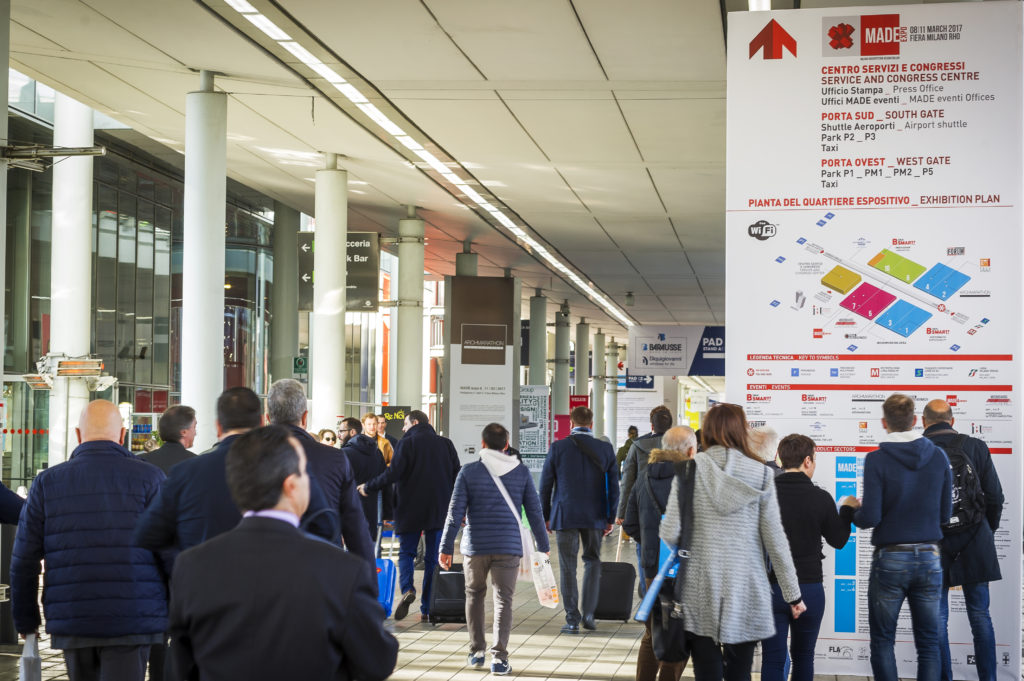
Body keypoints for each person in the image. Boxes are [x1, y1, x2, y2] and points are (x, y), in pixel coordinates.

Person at [167, 425, 398, 681]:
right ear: (291, 486)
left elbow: (178, 667)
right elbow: (378, 661)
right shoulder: (342, 570)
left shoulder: (192, 566)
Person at [11, 400, 167, 681]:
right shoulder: (151, 478)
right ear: (122, 436)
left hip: (73, 618)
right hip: (133, 617)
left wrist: (26, 619)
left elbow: (24, 559)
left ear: (78, 435)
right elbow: (170, 553)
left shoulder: (47, 482)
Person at [659, 403, 804, 681]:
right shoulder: (761, 474)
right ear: (741, 432)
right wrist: (793, 595)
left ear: (707, 433)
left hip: (700, 589)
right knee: (740, 671)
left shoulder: (688, 471)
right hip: (746, 588)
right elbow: (776, 540)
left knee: (706, 671)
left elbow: (669, 532)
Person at [135, 387, 338, 554]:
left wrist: (184, 567)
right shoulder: (288, 464)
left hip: (206, 591)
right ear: (261, 422)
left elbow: (148, 535)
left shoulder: (186, 472)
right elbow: (325, 527)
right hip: (276, 588)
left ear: (218, 426)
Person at [854, 393, 952, 681]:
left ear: (885, 423)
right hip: (930, 557)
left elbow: (869, 518)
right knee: (929, 643)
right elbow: (945, 515)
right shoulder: (938, 456)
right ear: (914, 421)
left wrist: (850, 511)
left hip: (891, 558)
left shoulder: (876, 459)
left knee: (883, 641)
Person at [439, 423, 549, 676]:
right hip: (508, 547)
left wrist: (445, 547)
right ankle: (499, 658)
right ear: (506, 445)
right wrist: (543, 546)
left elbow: (454, 515)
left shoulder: (468, 472)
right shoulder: (521, 472)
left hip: (475, 546)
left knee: (474, 594)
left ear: (483, 444)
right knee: (503, 600)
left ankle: (476, 650)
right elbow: (534, 511)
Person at [761, 434, 859, 681]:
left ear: (780, 460)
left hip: (770, 588)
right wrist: (846, 510)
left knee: (772, 658)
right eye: (814, 460)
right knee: (804, 656)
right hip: (809, 588)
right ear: (807, 461)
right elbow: (838, 541)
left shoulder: (764, 496)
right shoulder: (820, 498)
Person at [922, 399, 1004, 681]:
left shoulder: (913, 451)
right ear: (953, 420)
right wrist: (985, 531)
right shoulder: (976, 446)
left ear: (923, 422)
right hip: (975, 539)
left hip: (933, 544)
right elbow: (995, 496)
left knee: (938, 620)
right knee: (980, 615)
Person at [358, 409, 461, 621]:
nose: (403, 428)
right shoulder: (445, 444)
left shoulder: (407, 443)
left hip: (409, 508)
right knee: (433, 558)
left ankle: (407, 589)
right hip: (438, 509)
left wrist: (368, 486)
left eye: (405, 424)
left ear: (414, 422)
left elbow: (393, 473)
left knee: (406, 553)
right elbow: (456, 475)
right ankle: (427, 607)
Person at [266, 379, 374, 567]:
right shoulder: (335, 459)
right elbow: (355, 526)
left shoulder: (247, 457)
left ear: (267, 418)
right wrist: (367, 586)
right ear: (305, 417)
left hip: (265, 571)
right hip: (324, 569)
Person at [622, 425, 697, 681]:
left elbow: (630, 523)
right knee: (678, 634)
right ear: (690, 450)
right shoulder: (692, 479)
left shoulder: (644, 476)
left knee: (652, 634)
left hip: (652, 569)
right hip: (685, 570)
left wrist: (653, 544)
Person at [539, 405, 619, 634]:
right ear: (591, 424)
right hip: (595, 516)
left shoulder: (558, 448)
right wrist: (610, 517)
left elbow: (545, 486)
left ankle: (572, 618)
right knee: (592, 562)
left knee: (567, 566)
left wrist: (546, 516)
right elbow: (614, 487)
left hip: (565, 515)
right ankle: (590, 614)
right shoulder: (605, 449)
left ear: (571, 424)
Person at [617, 405, 673, 596]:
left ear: (651, 424)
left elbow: (627, 481)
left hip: (643, 507)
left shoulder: (637, 446)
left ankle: (648, 605)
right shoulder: (679, 445)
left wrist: (622, 513)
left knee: (645, 551)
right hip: (672, 509)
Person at [339, 417, 389, 541]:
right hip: (373, 513)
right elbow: (386, 480)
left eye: (341, 431)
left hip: (349, 513)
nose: (339, 435)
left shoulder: (344, 453)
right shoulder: (377, 453)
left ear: (352, 432)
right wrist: (387, 512)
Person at [138, 405, 197, 474]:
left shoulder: (140, 461)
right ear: (184, 432)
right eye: (194, 427)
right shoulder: (196, 464)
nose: (195, 433)